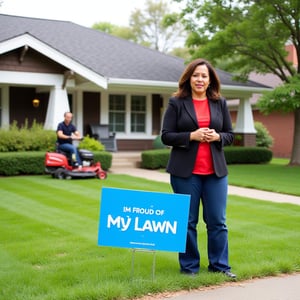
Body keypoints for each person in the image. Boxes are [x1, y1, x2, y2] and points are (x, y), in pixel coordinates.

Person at [161, 58, 236, 279]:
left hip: (215, 173)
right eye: (196, 75)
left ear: (210, 79)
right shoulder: (177, 103)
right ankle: (189, 268)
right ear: (189, 78)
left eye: (204, 76)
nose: (200, 79)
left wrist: (217, 136)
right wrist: (191, 136)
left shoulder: (220, 103)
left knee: (217, 221)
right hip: (185, 173)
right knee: (186, 222)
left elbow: (230, 135)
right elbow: (166, 135)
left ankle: (220, 267)